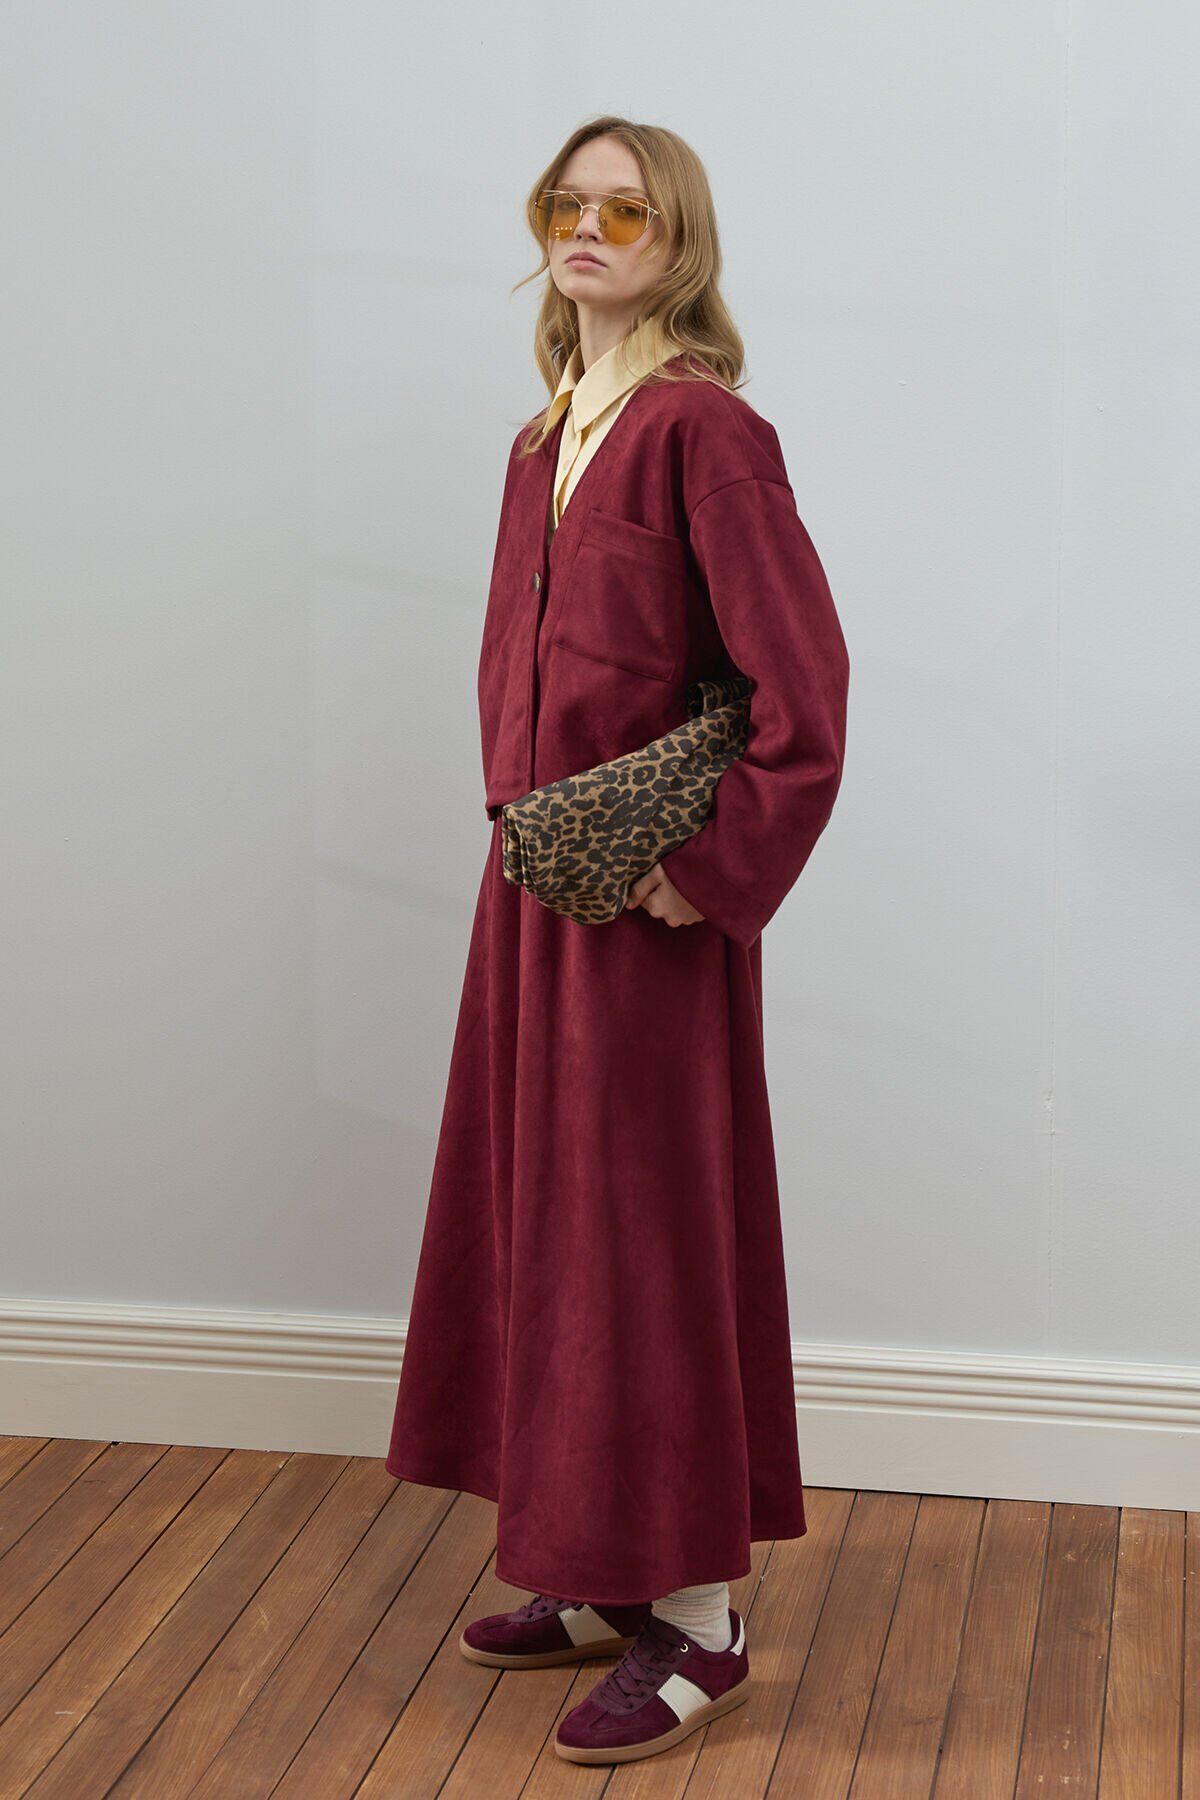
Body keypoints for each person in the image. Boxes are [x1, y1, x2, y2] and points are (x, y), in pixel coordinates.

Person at [383, 114, 850, 1767]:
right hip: (537, 894)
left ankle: (700, 1624)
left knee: (646, 1247)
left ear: (679, 240)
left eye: (626, 210)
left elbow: (804, 698)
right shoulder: (542, 441)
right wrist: (537, 843)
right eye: (563, 205)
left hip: (650, 916)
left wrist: (706, 871)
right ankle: (595, 1572)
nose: (587, 228)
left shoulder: (705, 435)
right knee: (549, 1234)